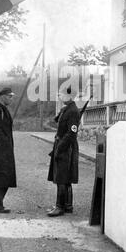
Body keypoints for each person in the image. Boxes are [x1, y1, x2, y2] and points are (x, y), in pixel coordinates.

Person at [47, 86, 80, 217]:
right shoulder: (67, 109)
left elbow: (71, 133)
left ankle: (60, 207)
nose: (59, 96)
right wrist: (61, 112)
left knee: (62, 177)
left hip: (66, 147)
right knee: (65, 177)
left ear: (70, 96)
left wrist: (60, 147)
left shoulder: (72, 111)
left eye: (61, 94)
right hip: (64, 145)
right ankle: (68, 205)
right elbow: (56, 122)